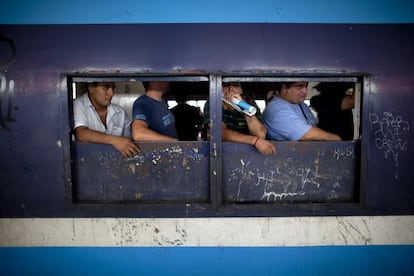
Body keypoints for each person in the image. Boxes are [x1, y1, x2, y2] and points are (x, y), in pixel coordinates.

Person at [203, 82, 276, 155]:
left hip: (248, 155)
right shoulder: (213, 103)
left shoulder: (250, 105)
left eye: (235, 85)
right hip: (220, 155)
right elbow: (219, 132)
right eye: (226, 85)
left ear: (241, 90)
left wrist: (243, 107)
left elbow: (260, 134)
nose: (231, 89)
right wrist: (255, 141)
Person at [73, 81, 140, 158]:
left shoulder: (120, 112)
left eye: (113, 88)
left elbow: (128, 141)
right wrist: (116, 141)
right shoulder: (79, 104)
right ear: (91, 88)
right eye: (106, 88)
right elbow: (82, 134)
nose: (111, 93)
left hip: (114, 163)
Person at [263, 81, 341, 141]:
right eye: (299, 86)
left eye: (306, 86)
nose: (305, 91)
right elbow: (307, 135)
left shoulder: (302, 105)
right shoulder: (276, 109)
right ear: (284, 88)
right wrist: (337, 139)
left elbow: (314, 127)